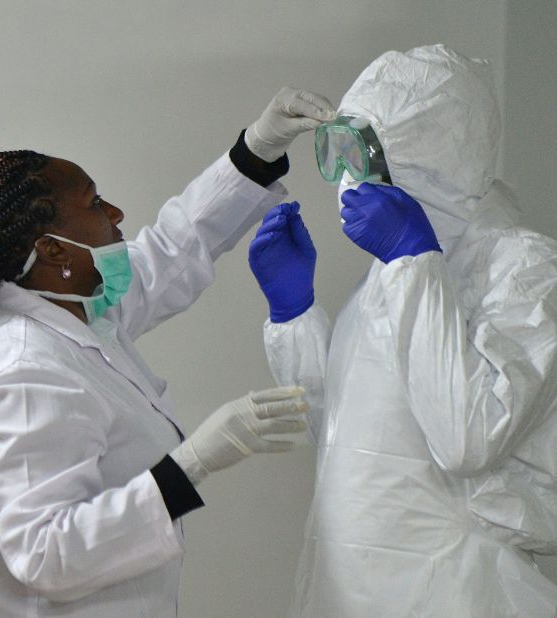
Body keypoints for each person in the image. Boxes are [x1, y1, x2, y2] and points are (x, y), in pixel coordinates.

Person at [0, 86, 332, 615]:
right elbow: (46, 555)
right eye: (93, 202)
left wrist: (254, 152)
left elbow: (169, 251)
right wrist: (191, 465)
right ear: (52, 250)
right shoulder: (26, 371)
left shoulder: (62, 307)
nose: (115, 211)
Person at [248, 44, 557, 616]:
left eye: (360, 152)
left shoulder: (523, 270)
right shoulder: (388, 277)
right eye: (333, 150)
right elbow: (346, 439)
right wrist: (296, 319)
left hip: (451, 589)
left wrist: (415, 262)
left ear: (429, 153)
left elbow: (467, 438)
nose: (343, 176)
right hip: (347, 586)